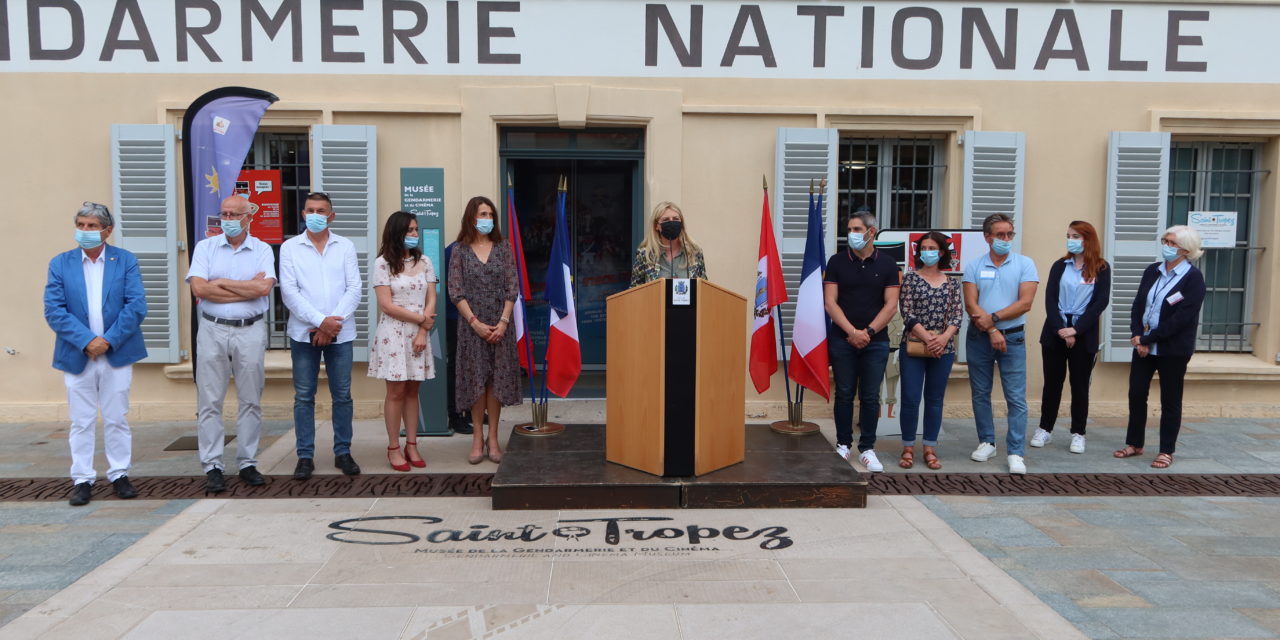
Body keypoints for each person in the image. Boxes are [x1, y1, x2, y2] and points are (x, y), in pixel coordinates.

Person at [43, 202, 148, 506]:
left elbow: (135, 305)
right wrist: (87, 341)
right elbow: (54, 310)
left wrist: (107, 340)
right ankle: (82, 478)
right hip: (78, 355)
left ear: (107, 230)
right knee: (81, 420)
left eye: (91, 226)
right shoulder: (60, 263)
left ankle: (119, 474)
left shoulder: (125, 260)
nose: (85, 231)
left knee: (117, 417)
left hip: (116, 353)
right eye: (81, 225)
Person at [186, 195, 276, 493]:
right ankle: (212, 465)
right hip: (212, 329)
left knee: (250, 399)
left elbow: (264, 287)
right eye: (223, 213)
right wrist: (244, 289)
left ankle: (247, 462)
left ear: (248, 217)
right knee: (210, 401)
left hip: (249, 331)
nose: (227, 219)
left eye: (233, 214)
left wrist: (221, 284)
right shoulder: (205, 247)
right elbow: (199, 288)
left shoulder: (261, 249)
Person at [279, 192, 363, 480]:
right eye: (311, 210)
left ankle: (343, 452)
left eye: (322, 210)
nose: (316, 214)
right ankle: (305, 456)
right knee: (304, 397)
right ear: (303, 214)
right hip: (304, 334)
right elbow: (290, 293)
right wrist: (320, 322)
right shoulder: (290, 248)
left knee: (342, 395)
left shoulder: (345, 247)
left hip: (340, 332)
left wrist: (331, 325)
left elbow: (354, 289)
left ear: (331, 216)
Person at [1115, 225, 1206, 469]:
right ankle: (1135, 443)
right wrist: (1137, 335)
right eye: (1164, 241)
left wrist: (1148, 339)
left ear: (1185, 250)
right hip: (1143, 346)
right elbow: (1138, 306)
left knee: (1170, 399)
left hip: (1172, 349)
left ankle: (1166, 450)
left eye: (1171, 243)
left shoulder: (1193, 279)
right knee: (1136, 393)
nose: (1165, 246)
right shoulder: (1152, 271)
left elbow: (1182, 318)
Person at [823, 209, 901, 471]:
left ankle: (867, 448)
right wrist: (851, 332)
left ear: (871, 232)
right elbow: (830, 301)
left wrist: (867, 332)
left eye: (857, 230)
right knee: (844, 393)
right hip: (842, 339)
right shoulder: (836, 261)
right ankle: (843, 444)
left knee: (870, 396)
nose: (852, 234)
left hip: (875, 341)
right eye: (850, 230)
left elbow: (891, 306)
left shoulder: (888, 264)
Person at [963, 213, 1039, 475]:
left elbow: (1025, 303)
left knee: (1016, 397)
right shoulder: (974, 265)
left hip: (1013, 337)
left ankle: (1016, 451)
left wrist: (993, 321)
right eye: (1000, 235)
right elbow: (971, 303)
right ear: (988, 237)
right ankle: (987, 441)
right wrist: (992, 329)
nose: (1006, 239)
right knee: (980, 393)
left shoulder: (1025, 264)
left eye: (1010, 234)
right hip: (979, 338)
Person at [448, 196, 521, 464]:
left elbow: (512, 288)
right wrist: (475, 324)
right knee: (476, 382)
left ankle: (493, 438)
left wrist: (502, 322)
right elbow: (456, 291)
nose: (487, 219)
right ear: (471, 217)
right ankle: (477, 437)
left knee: (495, 383)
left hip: (501, 324)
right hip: (472, 326)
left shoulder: (504, 247)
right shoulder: (460, 250)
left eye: (490, 214)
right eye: (482, 214)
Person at [1031, 221, 1111, 454]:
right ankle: (1045, 429)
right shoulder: (1059, 265)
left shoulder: (1101, 268)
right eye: (1068, 235)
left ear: (1088, 239)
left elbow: (1100, 303)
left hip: (1083, 334)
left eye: (1076, 236)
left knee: (1079, 386)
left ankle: (1078, 433)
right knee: (1052, 384)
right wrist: (1061, 329)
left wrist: (1076, 330)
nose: (1071, 240)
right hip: (1055, 332)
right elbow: (1050, 298)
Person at [368, 211, 438, 471]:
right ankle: (393, 447)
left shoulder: (426, 261)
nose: (413, 235)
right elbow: (386, 305)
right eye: (409, 230)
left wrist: (422, 329)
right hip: (393, 334)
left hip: (419, 333)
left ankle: (412, 444)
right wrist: (421, 319)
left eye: (416, 230)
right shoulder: (382, 263)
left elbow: (432, 297)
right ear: (396, 232)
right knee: (396, 391)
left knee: (413, 390)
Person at [896, 232, 962, 471]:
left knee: (935, 400)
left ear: (942, 252)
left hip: (942, 349)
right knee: (911, 399)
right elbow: (907, 312)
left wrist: (942, 339)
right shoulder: (911, 280)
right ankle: (907, 447)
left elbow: (957, 315)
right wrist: (927, 338)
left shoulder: (952, 283)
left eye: (932, 247)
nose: (927, 251)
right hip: (914, 346)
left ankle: (930, 448)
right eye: (923, 247)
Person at [629, 201, 707, 287]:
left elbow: (704, 288)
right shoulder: (645, 255)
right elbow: (635, 290)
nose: (671, 222)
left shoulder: (695, 252)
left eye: (676, 219)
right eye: (666, 220)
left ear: (681, 223)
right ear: (656, 226)